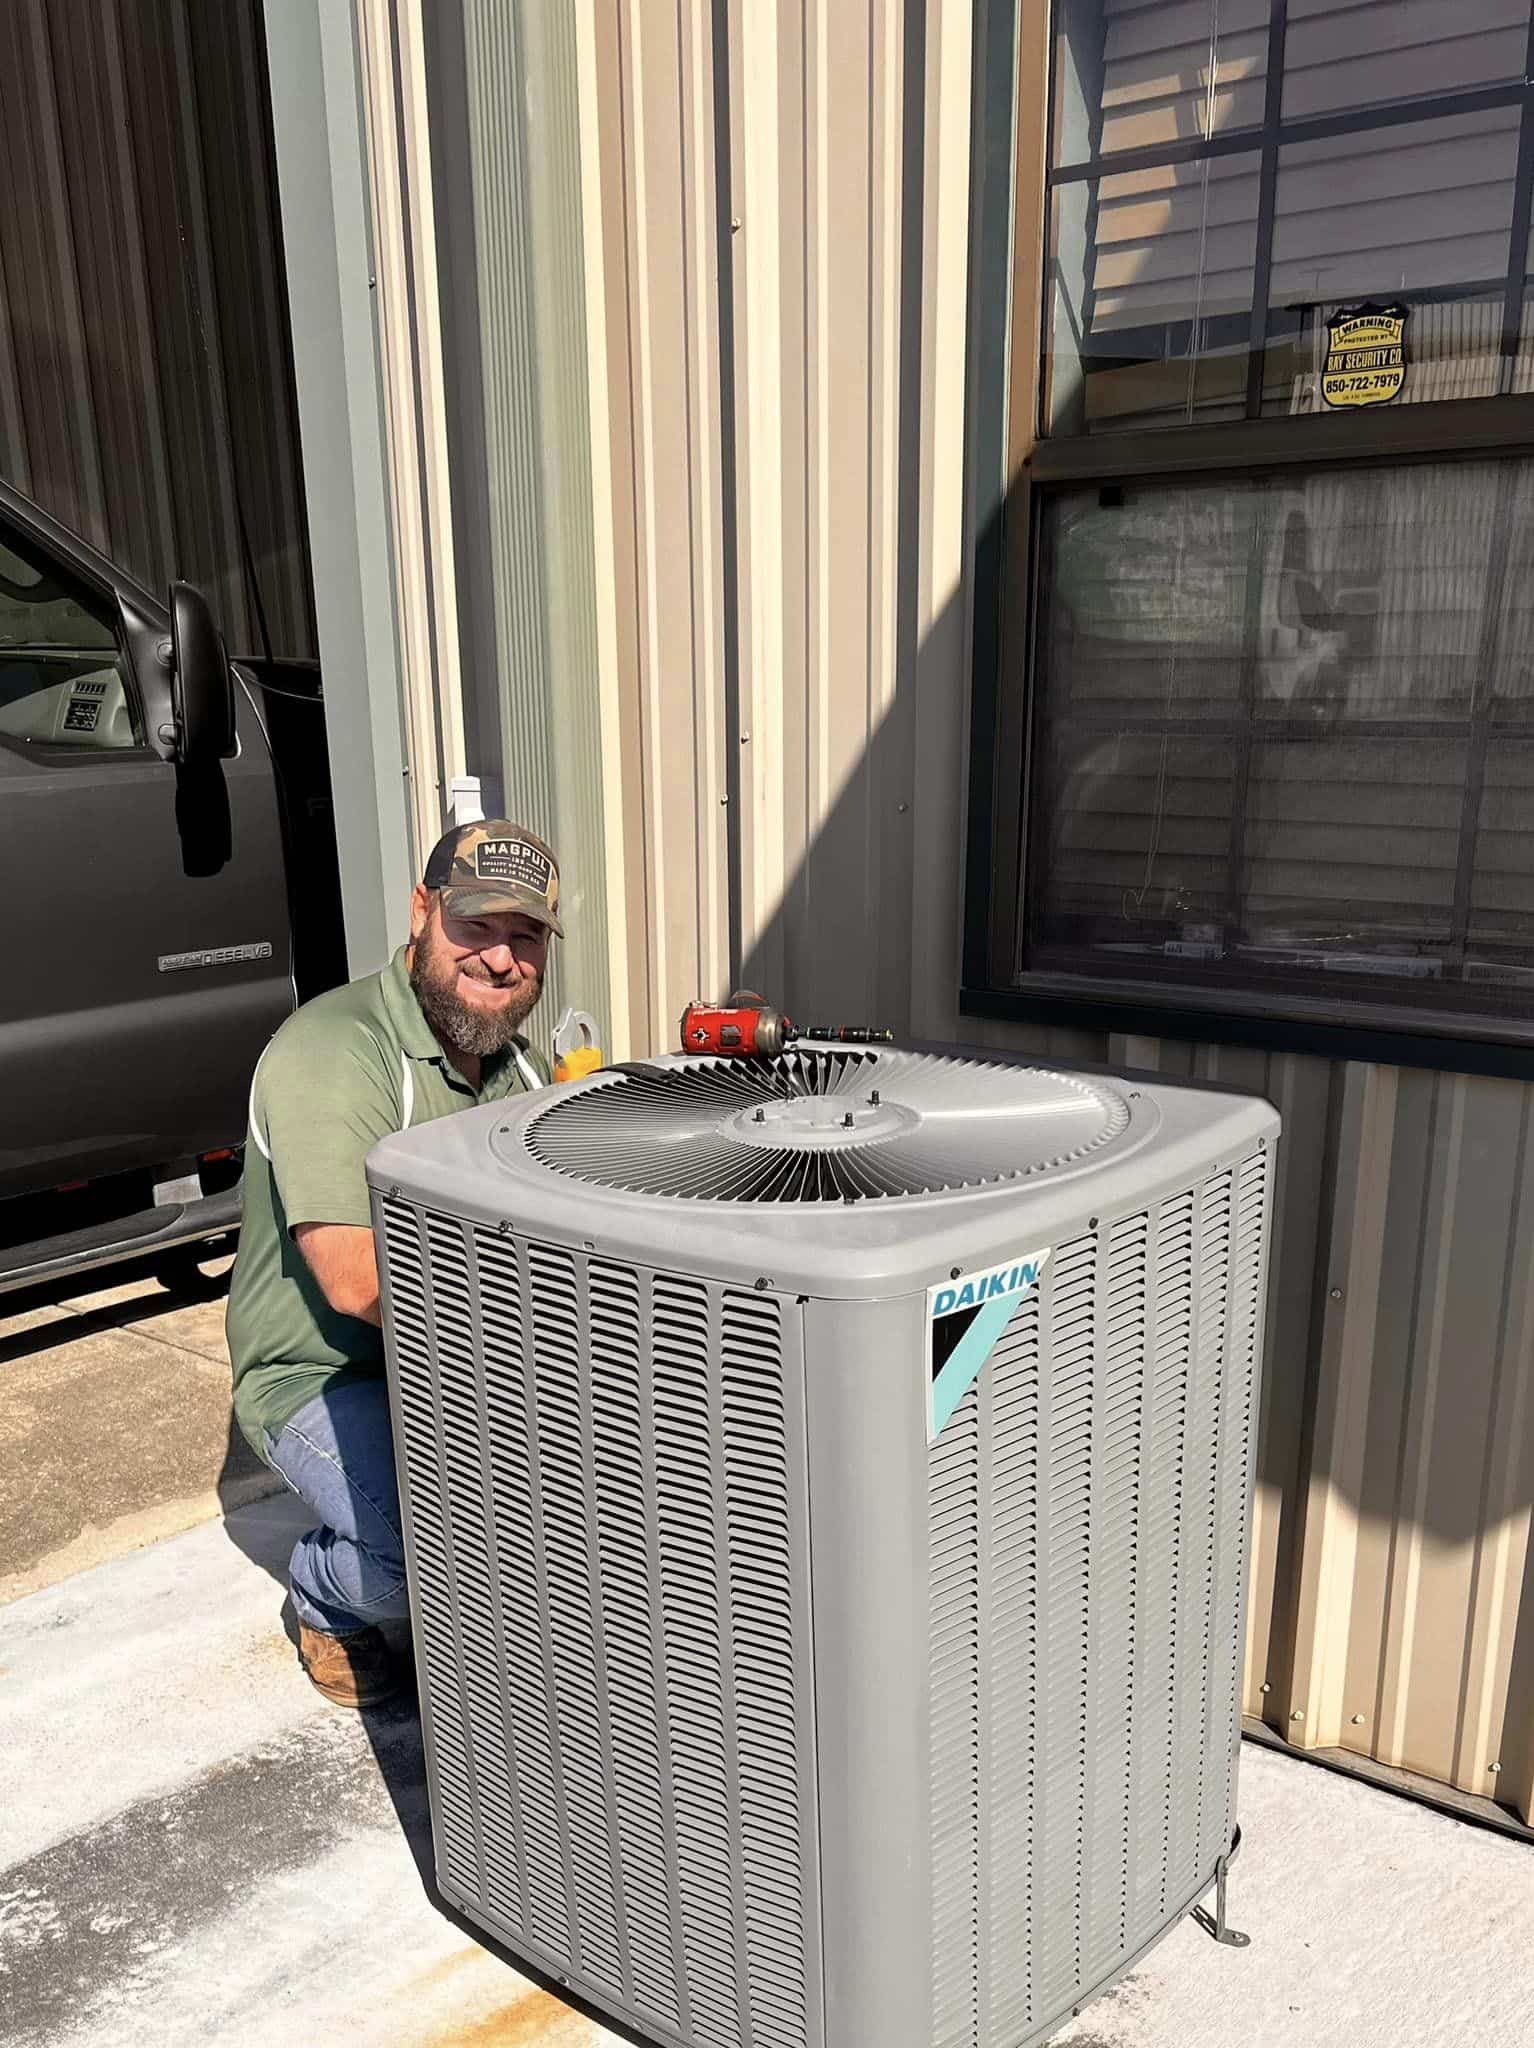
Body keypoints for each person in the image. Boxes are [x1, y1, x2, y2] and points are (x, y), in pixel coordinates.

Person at [226, 821, 560, 1708]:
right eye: (475, 927)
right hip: (324, 1373)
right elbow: (357, 1280)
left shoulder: (526, 1068)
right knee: (420, 1565)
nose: (499, 959)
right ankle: (323, 1597)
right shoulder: (334, 1050)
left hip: (459, 1360)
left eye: (524, 936)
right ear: (422, 912)